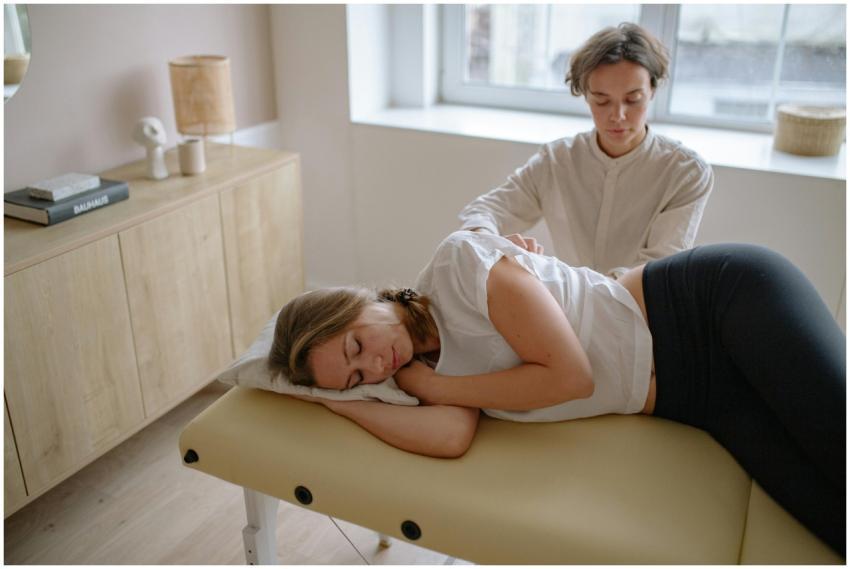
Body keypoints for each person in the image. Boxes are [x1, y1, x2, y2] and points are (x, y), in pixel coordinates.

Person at [268, 230, 845, 555]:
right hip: (697, 399)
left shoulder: (459, 268)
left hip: (712, 306)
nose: (375, 364)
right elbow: (449, 438)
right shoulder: (411, 373)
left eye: (355, 346)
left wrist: (439, 385)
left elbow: (572, 377)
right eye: (357, 378)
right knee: (828, 518)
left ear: (358, 301)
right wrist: (333, 400)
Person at [459, 23, 714, 279]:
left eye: (633, 99)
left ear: (653, 90)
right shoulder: (557, 160)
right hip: (565, 304)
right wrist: (491, 242)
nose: (618, 115)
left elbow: (655, 271)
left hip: (637, 311)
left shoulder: (686, 173)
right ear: (585, 95)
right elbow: (485, 211)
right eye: (601, 100)